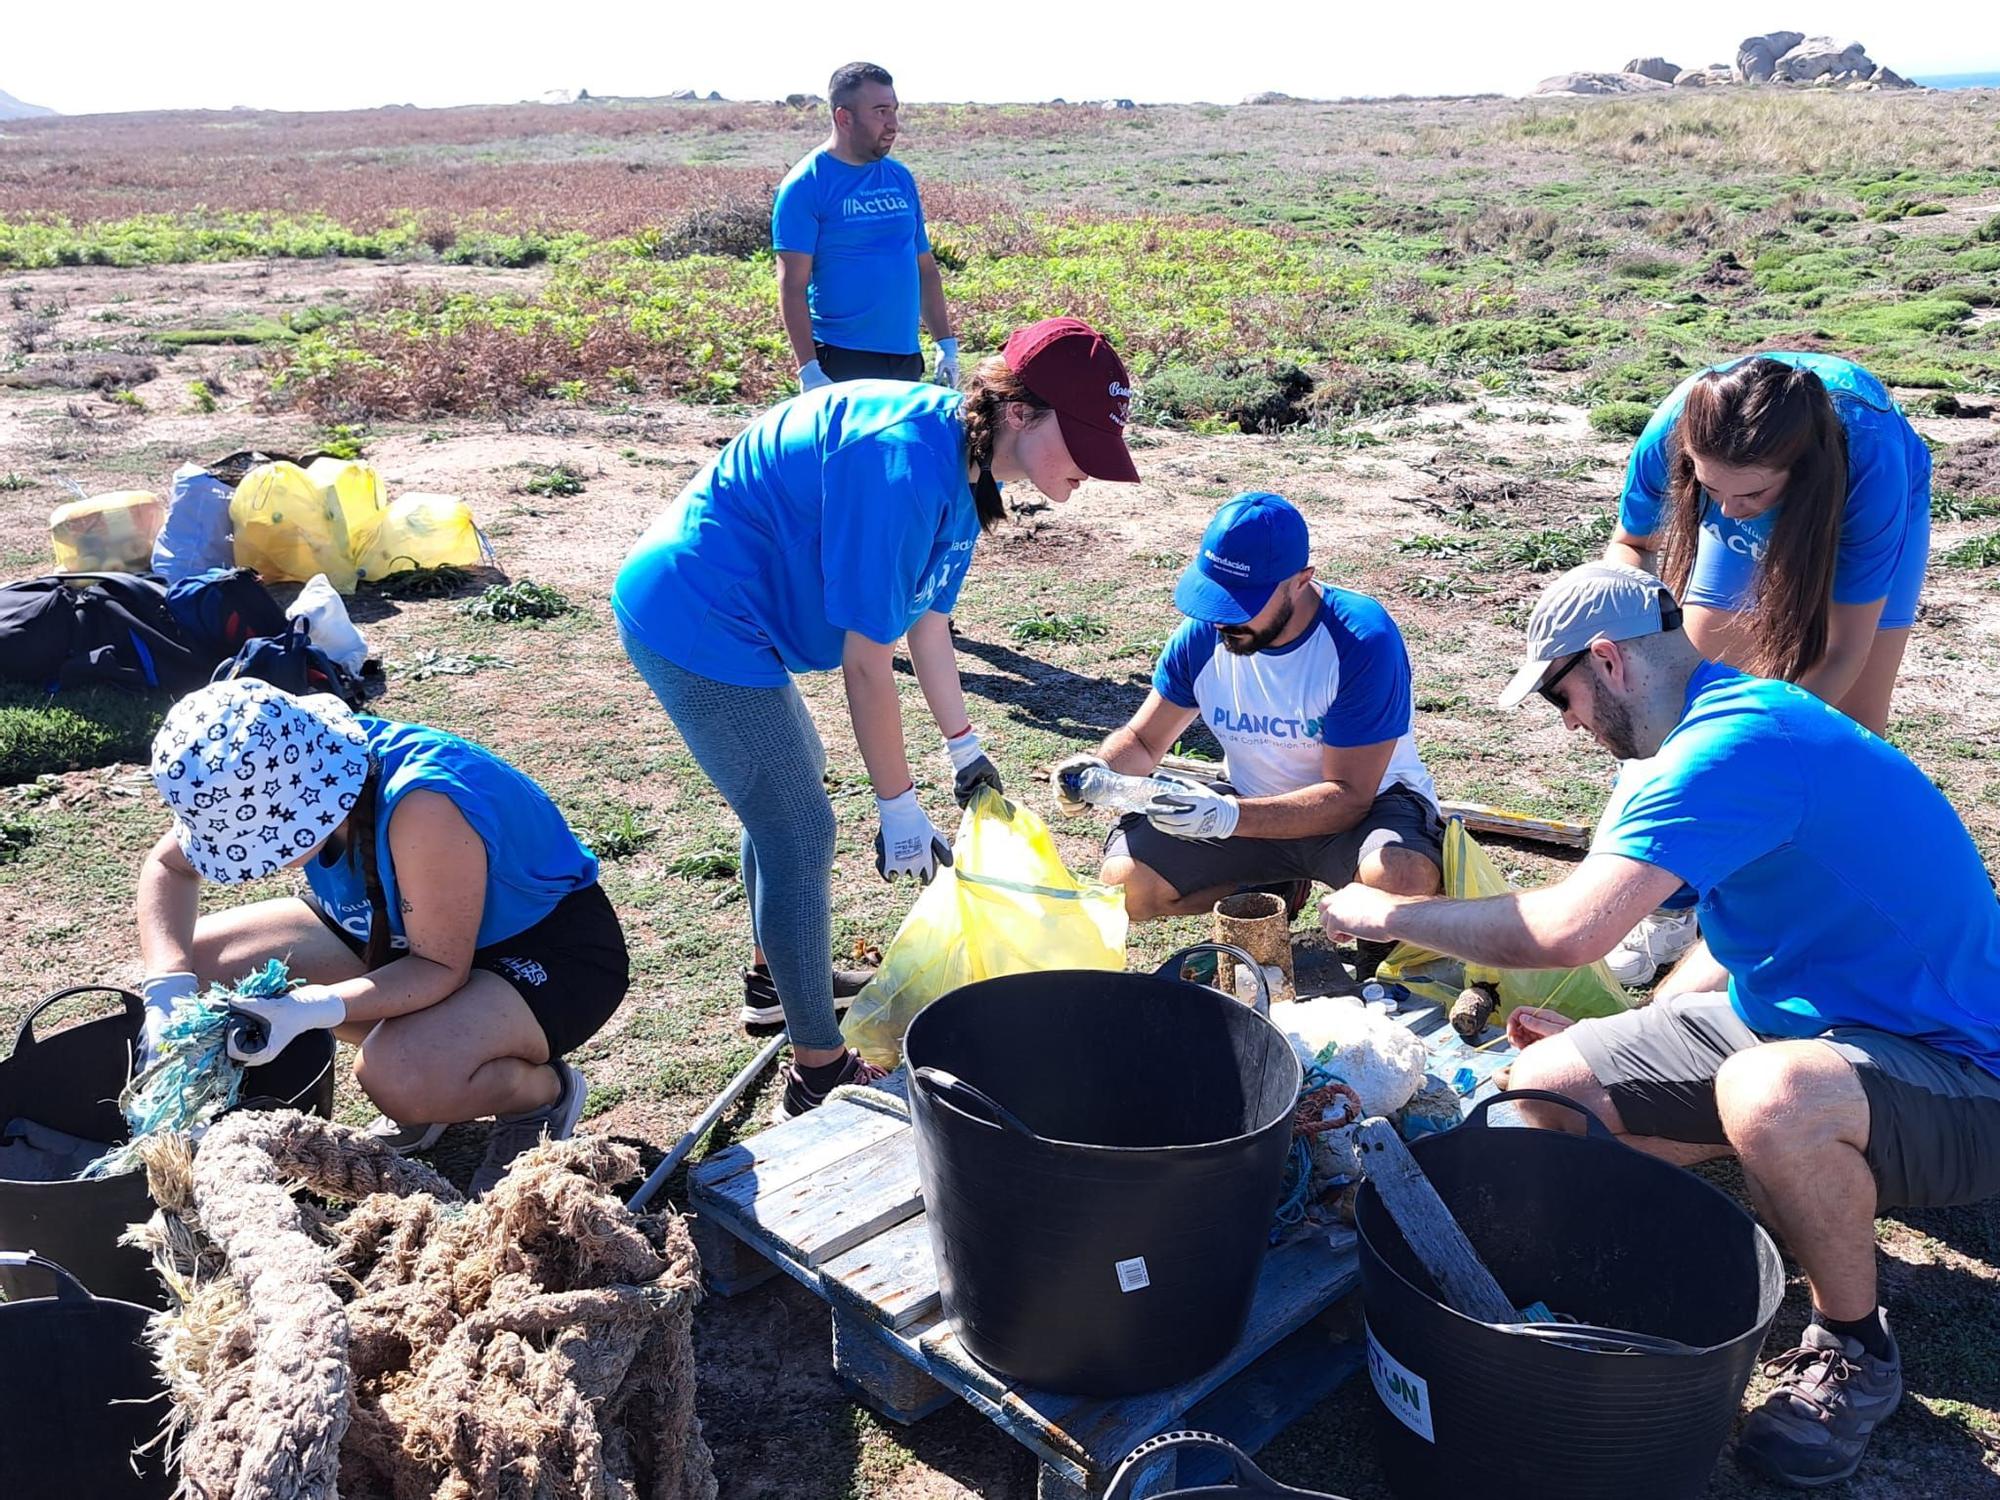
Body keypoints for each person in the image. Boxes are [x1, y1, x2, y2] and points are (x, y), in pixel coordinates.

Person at [1319, 561, 2000, 1489]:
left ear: (1608, 661)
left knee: (1772, 1098)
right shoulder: (1727, 723)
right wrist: (1641, 1041)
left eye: (1563, 696)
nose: (1569, 723)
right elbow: (1733, 925)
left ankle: (1855, 1346)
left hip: (1959, 1075)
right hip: (1810, 1027)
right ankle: (1673, 1249)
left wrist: (1387, 915)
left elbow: (1565, 931)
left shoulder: (1727, 749)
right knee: (1548, 1088)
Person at [612, 317, 1138, 1115]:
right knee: (798, 825)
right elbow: (867, 661)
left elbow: (927, 621)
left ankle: (776, 980)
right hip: (697, 615)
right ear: (1023, 412)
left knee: (785, 810)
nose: (1089, 471)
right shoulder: (903, 464)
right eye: (1084, 442)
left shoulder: (970, 463)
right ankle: (817, 1071)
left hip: (738, 618)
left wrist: (965, 751)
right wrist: (895, 803)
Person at [136, 679, 627, 1196]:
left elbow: (439, 966)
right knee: (203, 963)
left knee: (400, 1076)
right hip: (394, 935)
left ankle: (537, 1099)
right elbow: (168, 866)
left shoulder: (422, 804)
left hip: (543, 953)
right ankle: (441, 1070)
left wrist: (309, 1007)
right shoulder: (289, 765)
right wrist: (167, 992)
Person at [1599, 351, 1933, 982]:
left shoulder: (1869, 461)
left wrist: (1748, 753)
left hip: (1858, 500)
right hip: (1760, 471)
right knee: (1677, 712)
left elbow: (1840, 653)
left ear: (1797, 468)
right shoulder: (1678, 431)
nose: (1727, 510)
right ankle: (1666, 911)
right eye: (1707, 488)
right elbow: (1631, 545)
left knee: (1848, 736)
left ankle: (1794, 914)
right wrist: (1635, 644)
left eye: (1750, 491)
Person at [1058, 492, 1442, 945]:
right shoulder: (1205, 634)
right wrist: (1100, 770)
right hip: (1249, 806)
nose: (1222, 619)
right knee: (1126, 887)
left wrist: (1227, 816)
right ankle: (1272, 891)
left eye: (1243, 602)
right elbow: (1144, 742)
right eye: (1214, 597)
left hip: (1364, 811)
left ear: (1300, 582)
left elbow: (1349, 797)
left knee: (1400, 880)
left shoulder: (1361, 639)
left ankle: (1363, 916)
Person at [773, 61, 957, 391]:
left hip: (904, 357)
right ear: (844, 118)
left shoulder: (900, 178)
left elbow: (925, 268)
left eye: (895, 111)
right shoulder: (805, 184)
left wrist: (946, 345)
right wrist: (809, 370)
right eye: (881, 112)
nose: (893, 124)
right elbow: (792, 285)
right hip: (841, 358)